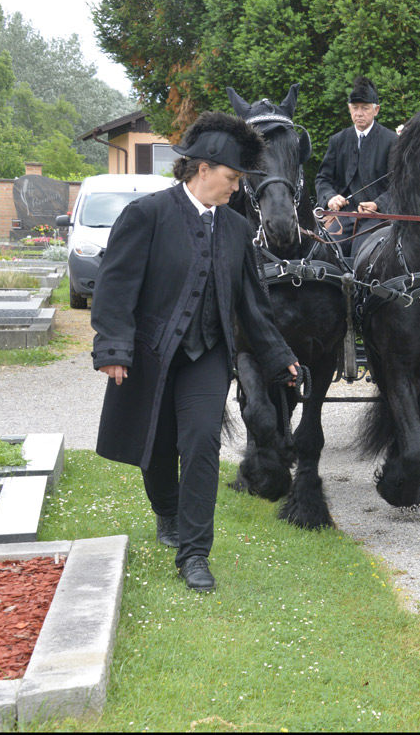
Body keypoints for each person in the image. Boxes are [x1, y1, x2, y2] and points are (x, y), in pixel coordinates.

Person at [92, 112, 301, 593]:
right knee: (157, 446)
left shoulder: (234, 228)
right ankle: (167, 511)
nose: (236, 189)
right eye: (231, 179)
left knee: (204, 440)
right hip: (150, 354)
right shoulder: (146, 215)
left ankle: (194, 554)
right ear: (202, 169)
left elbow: (251, 302)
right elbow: (115, 287)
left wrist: (277, 355)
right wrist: (114, 348)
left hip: (207, 355)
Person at [314, 75, 399, 258]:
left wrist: (378, 204)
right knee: (325, 250)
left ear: (376, 110)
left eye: (365, 108)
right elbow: (323, 178)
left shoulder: (391, 140)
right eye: (355, 108)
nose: (359, 113)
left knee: (363, 253)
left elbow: (399, 184)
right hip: (343, 215)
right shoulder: (338, 140)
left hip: (378, 217)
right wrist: (330, 198)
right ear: (349, 108)